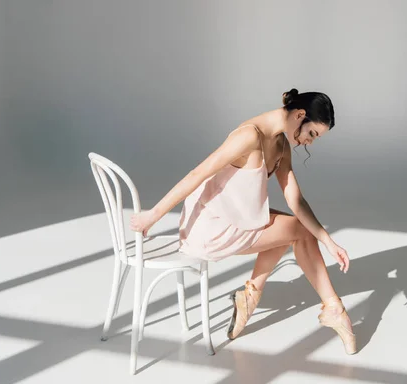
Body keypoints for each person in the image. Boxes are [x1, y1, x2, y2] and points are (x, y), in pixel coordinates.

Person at [129, 89, 356, 354]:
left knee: (292, 226)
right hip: (209, 226)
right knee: (298, 230)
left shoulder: (281, 145)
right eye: (312, 134)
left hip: (237, 219)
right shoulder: (249, 136)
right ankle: (334, 310)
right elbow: (197, 173)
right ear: (300, 115)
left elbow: (296, 200)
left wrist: (328, 241)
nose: (309, 142)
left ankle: (250, 298)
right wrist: (152, 216)